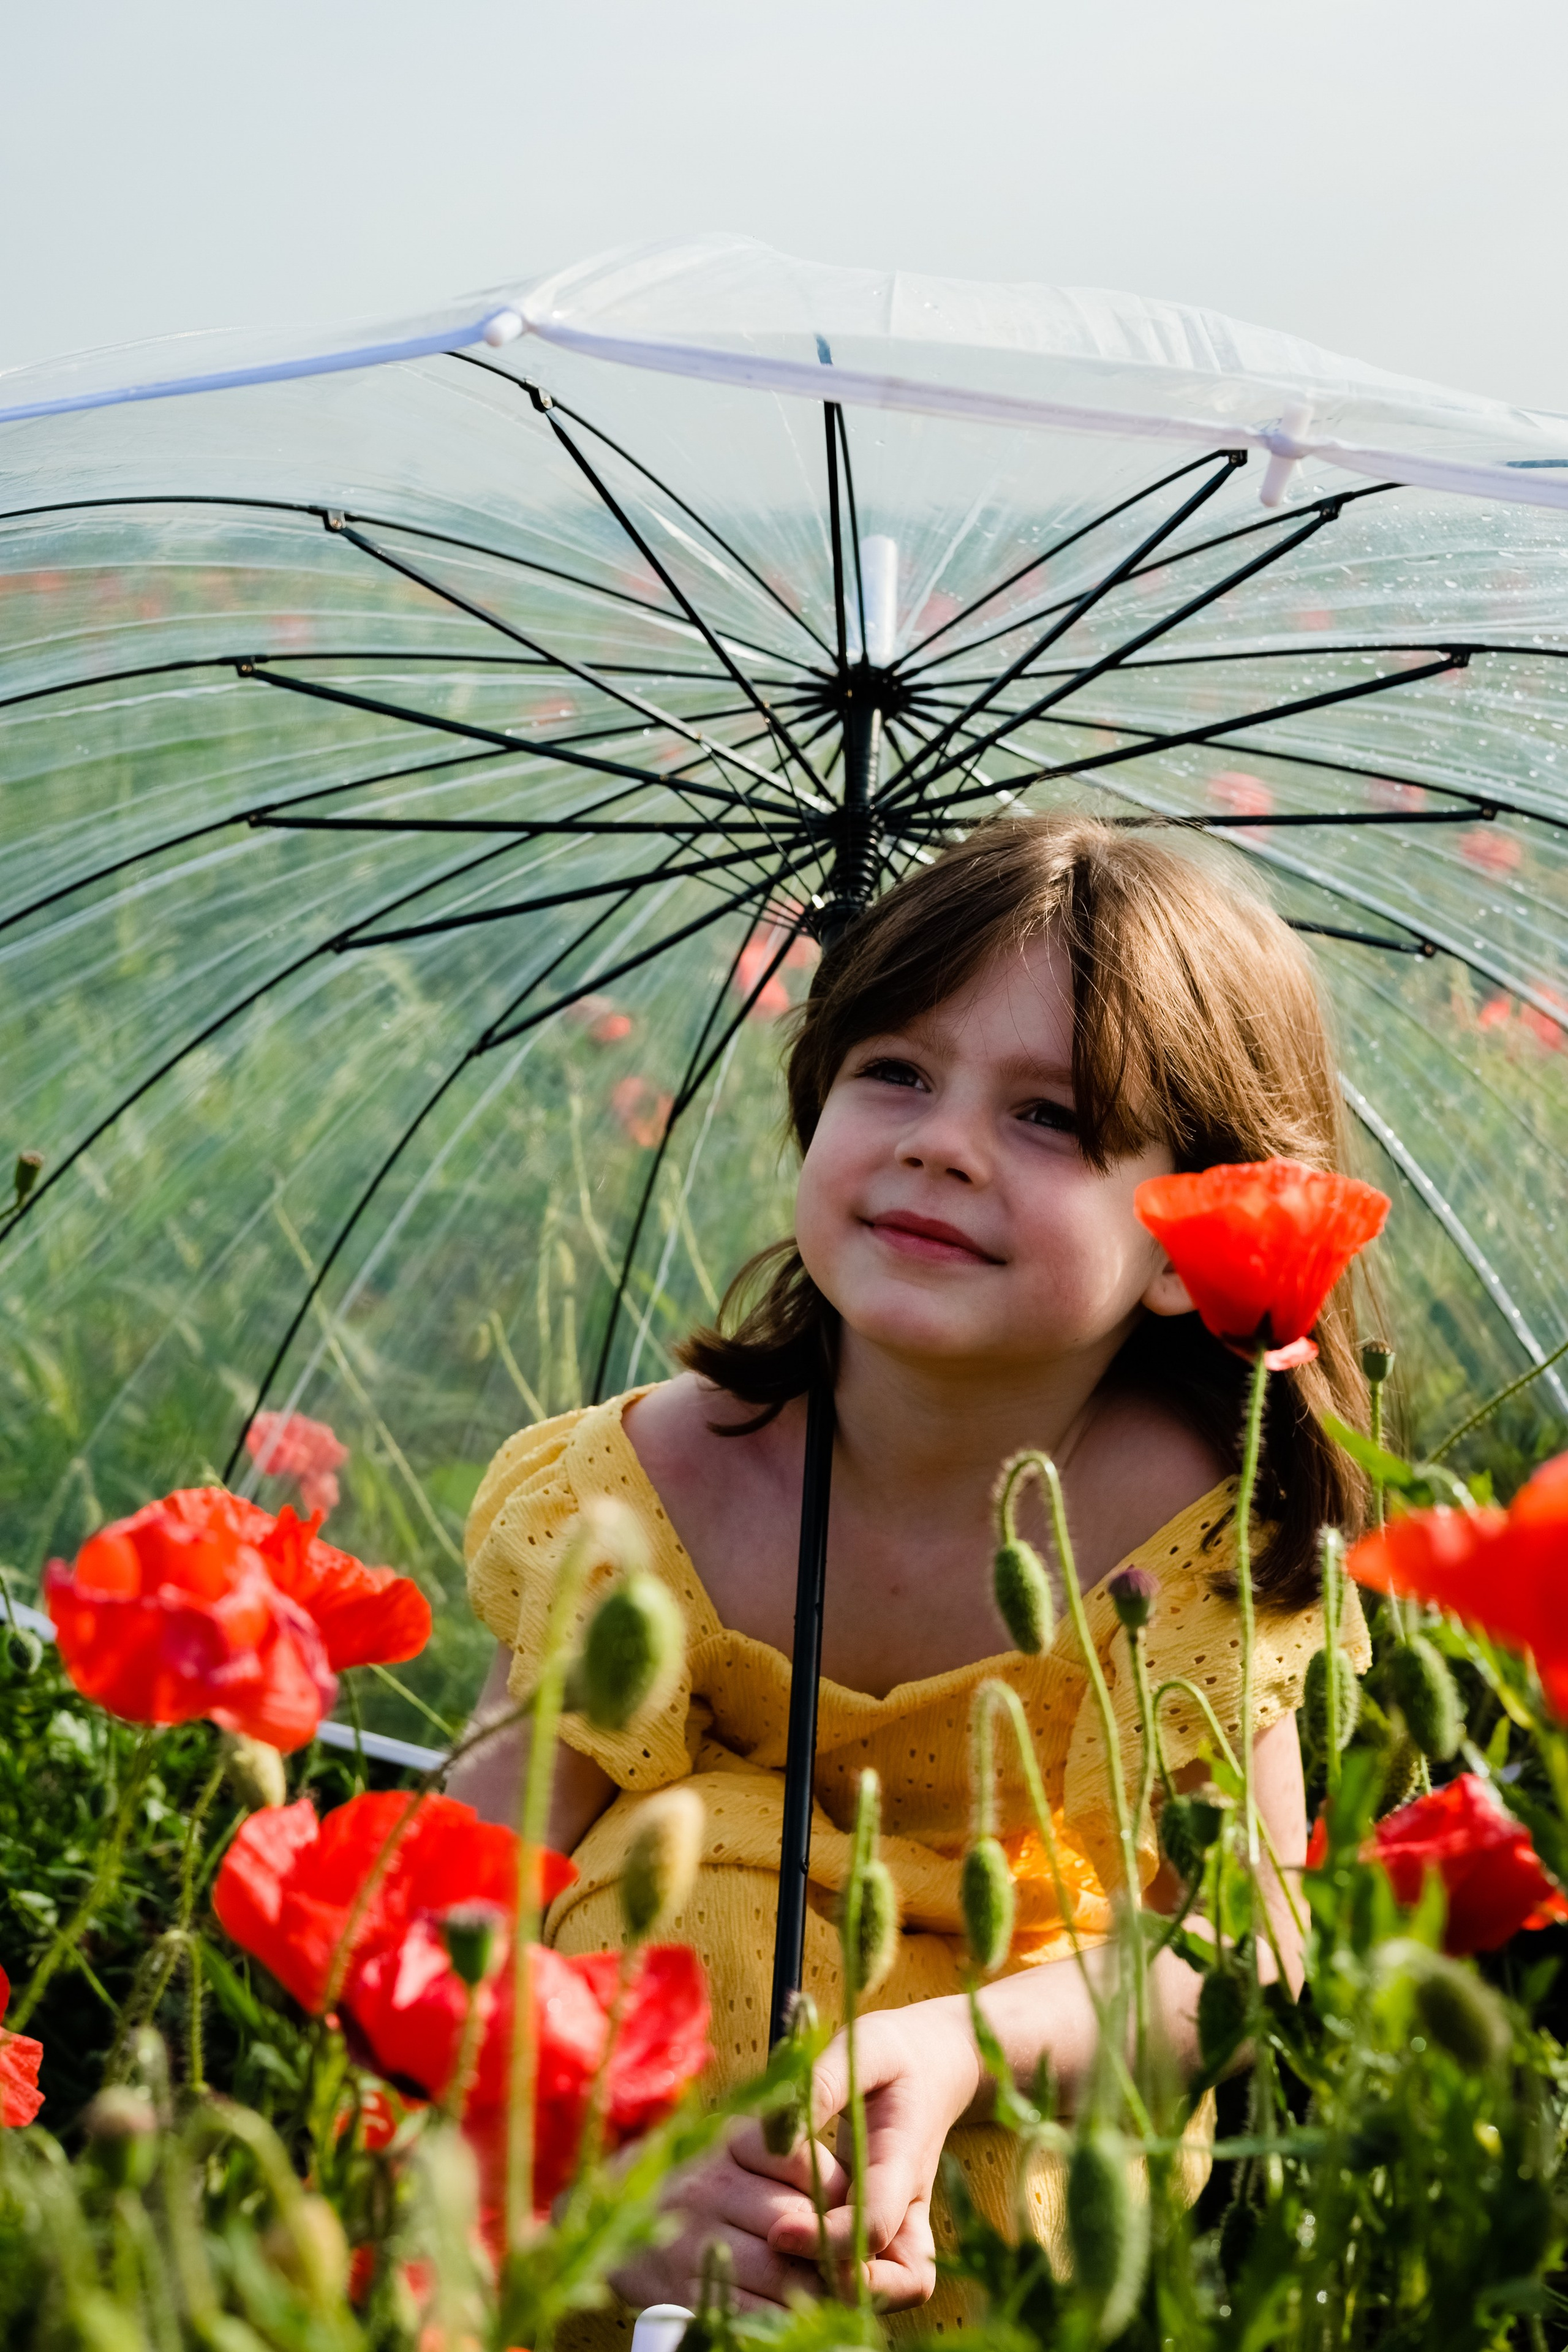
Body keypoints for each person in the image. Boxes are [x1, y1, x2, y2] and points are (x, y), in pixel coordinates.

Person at [450, 812, 1374, 2333]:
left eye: (1051, 1120)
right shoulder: (638, 1505)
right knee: (709, 1865)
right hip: (624, 2168)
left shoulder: (1201, 1538)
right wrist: (577, 2188)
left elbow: (1239, 1951)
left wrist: (966, 2043)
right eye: (895, 1072)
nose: (940, 1141)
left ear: (1179, 1240)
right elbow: (462, 1911)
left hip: (1001, 2175)